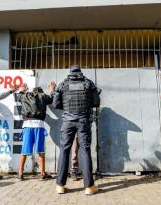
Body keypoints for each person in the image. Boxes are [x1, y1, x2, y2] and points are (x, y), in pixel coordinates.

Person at [50, 65, 100, 195]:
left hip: (67, 121)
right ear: (80, 72)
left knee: (64, 150)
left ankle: (60, 185)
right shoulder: (88, 83)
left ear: (70, 72)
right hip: (83, 121)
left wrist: (67, 109)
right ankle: (89, 187)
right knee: (85, 150)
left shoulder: (62, 84)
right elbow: (96, 102)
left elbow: (55, 104)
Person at [16, 83, 54, 181]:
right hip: (39, 127)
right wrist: (52, 89)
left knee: (24, 151)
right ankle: (42, 174)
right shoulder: (43, 96)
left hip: (27, 126)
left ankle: (20, 174)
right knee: (40, 151)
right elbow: (52, 98)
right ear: (41, 91)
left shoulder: (25, 96)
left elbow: (18, 96)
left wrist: (22, 90)